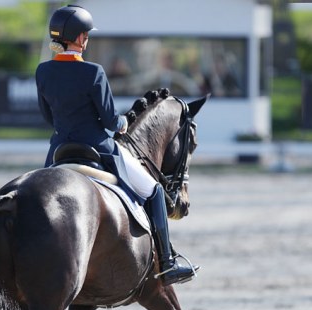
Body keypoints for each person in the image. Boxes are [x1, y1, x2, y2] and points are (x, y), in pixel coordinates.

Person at [36, 4, 198, 286]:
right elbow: (111, 120)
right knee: (155, 189)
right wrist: (123, 123)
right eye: (86, 35)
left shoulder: (43, 71)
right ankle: (167, 262)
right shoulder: (93, 72)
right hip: (98, 148)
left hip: (58, 151)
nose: (87, 39)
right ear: (80, 38)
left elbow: (48, 115)